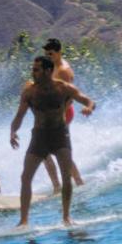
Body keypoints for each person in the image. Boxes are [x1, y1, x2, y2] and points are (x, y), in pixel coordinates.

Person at [10, 56, 95, 226]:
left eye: (36, 69)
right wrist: (13, 131)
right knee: (26, 177)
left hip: (59, 135)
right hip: (39, 136)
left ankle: (66, 217)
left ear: (48, 71)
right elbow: (20, 115)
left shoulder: (62, 88)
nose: (32, 73)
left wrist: (88, 108)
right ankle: (23, 220)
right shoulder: (30, 92)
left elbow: (88, 100)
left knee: (66, 176)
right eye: (33, 69)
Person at [40, 38, 88, 188]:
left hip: (63, 113)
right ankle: (66, 184)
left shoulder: (64, 71)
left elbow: (71, 96)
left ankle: (72, 183)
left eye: (51, 53)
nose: (48, 56)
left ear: (59, 52)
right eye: (46, 54)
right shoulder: (52, 66)